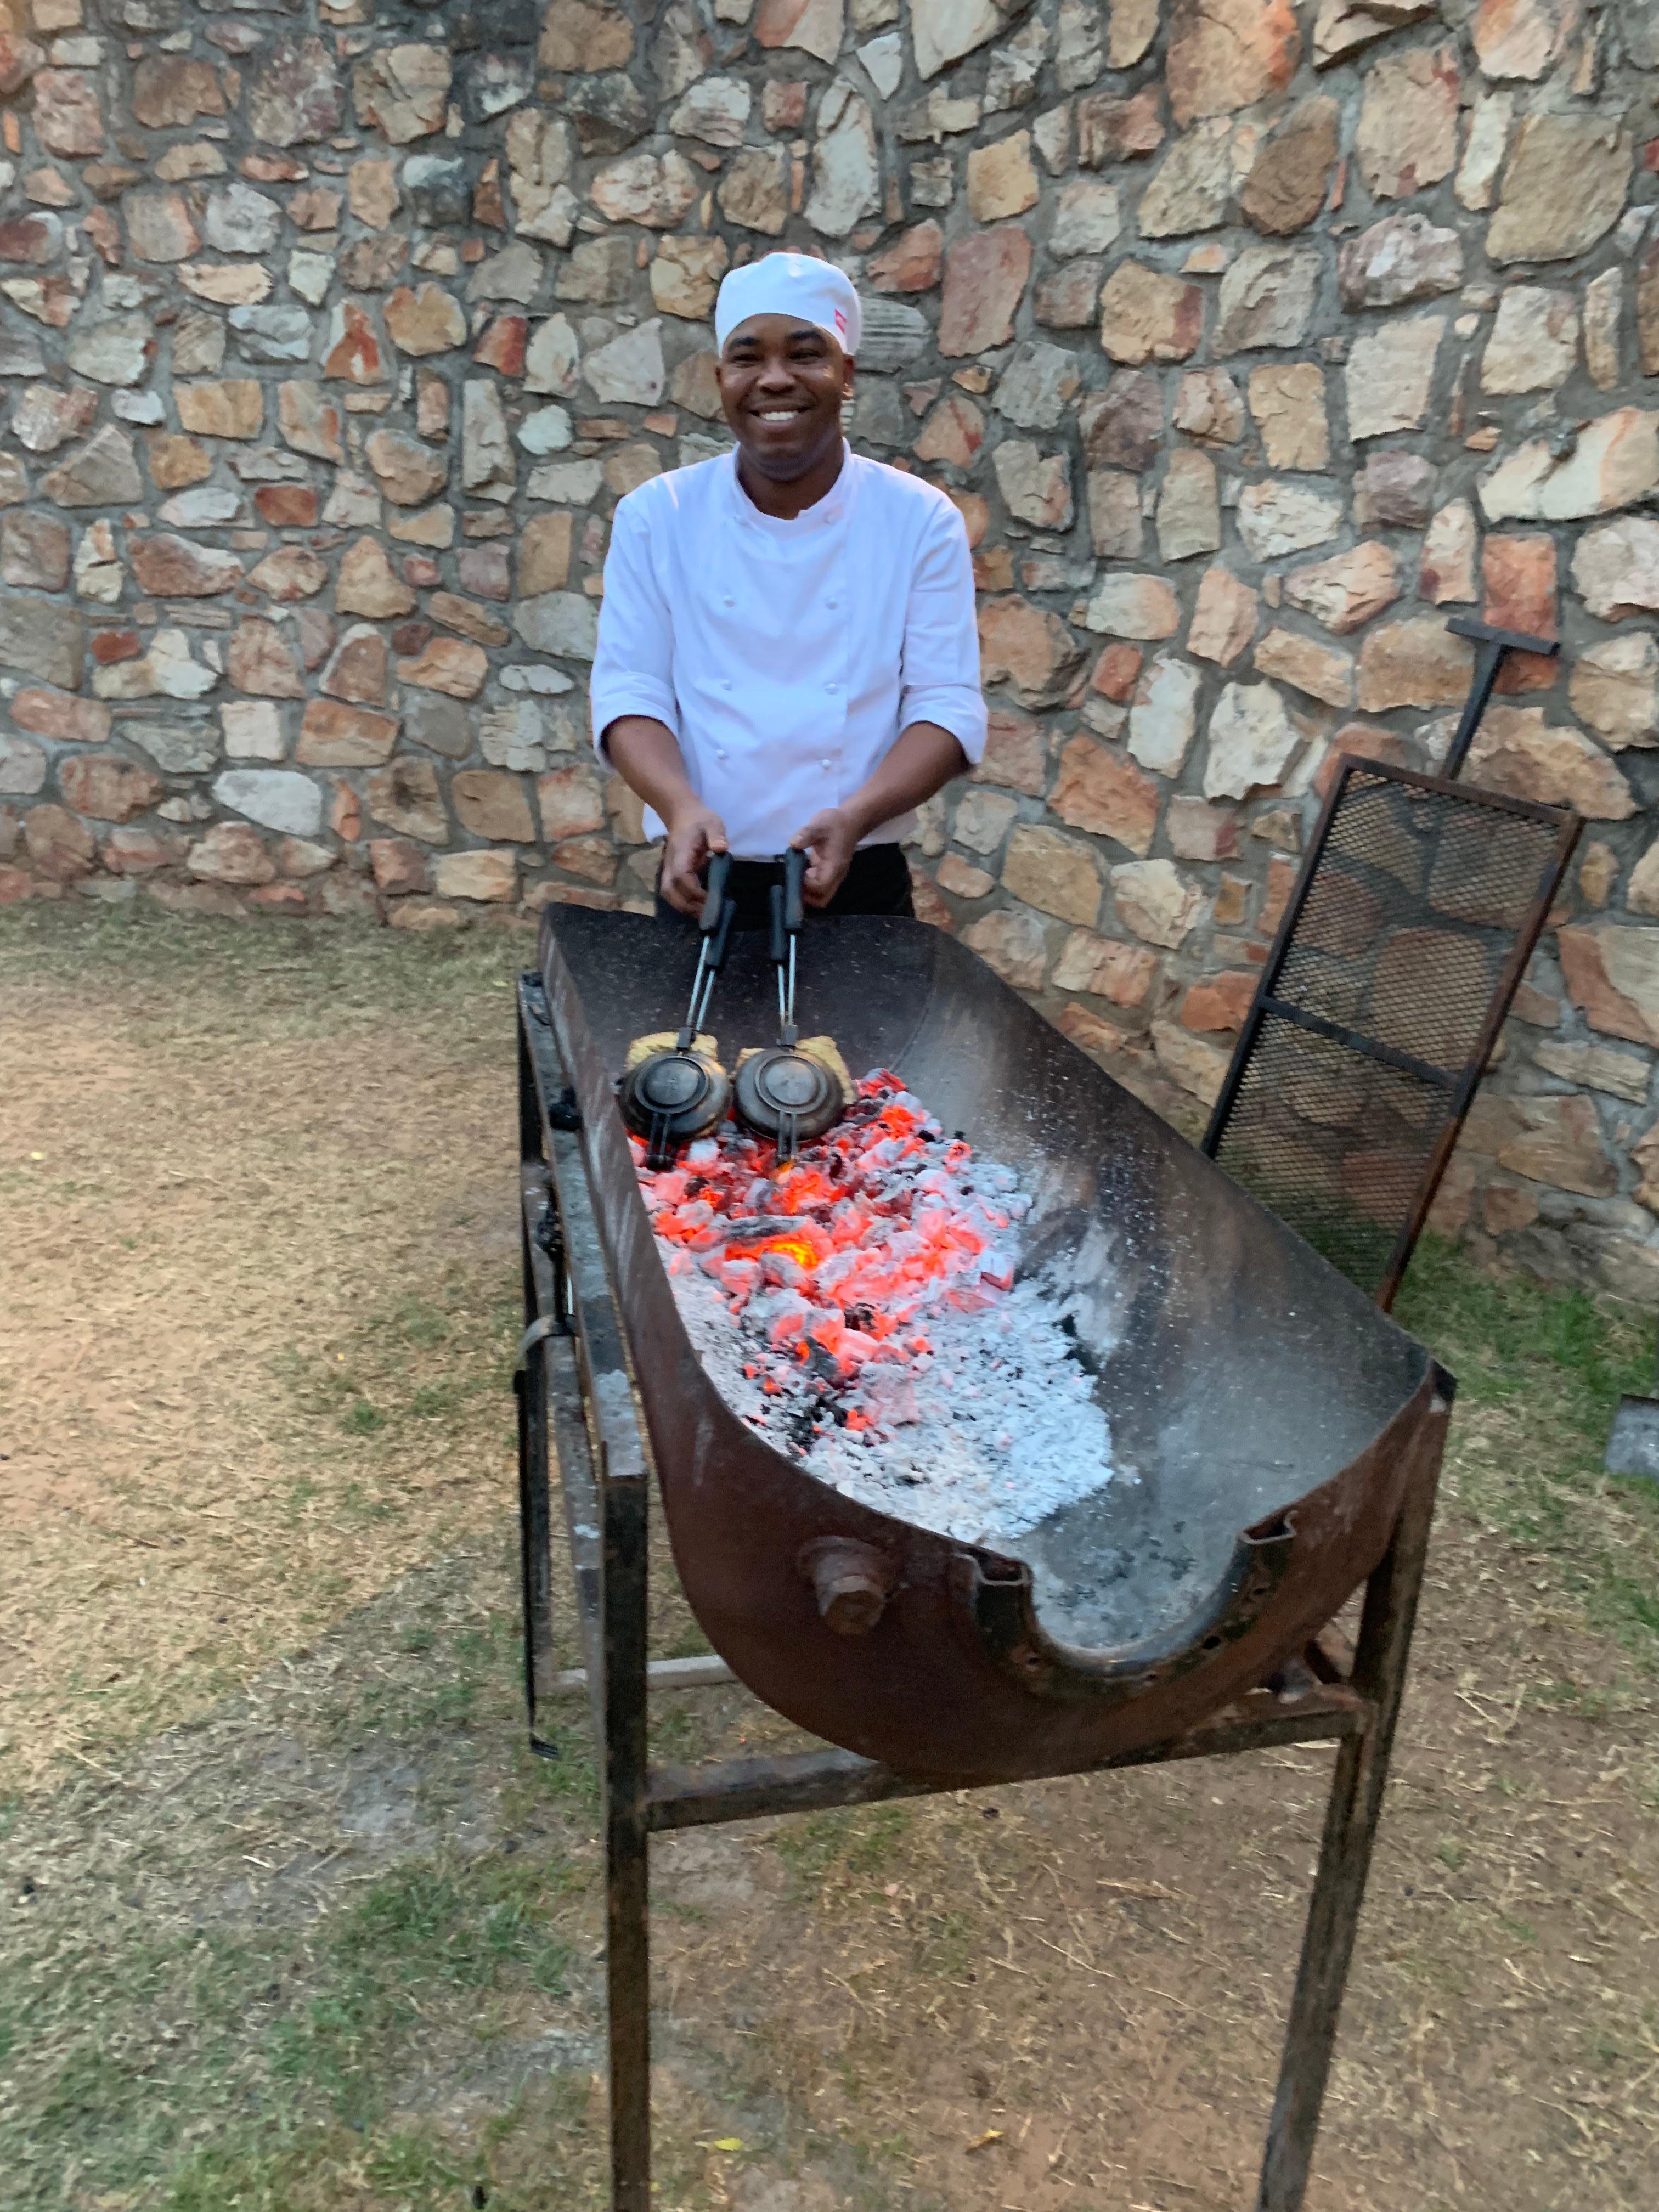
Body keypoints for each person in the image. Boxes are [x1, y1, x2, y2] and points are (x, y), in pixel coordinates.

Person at [589, 251, 987, 927]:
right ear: (722, 379)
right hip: (702, 877)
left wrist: (856, 816)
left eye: (806, 354)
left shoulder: (918, 520)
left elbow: (945, 705)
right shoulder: (659, 516)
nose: (775, 380)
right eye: (748, 358)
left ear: (847, 374)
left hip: (859, 879)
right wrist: (679, 806)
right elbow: (631, 690)